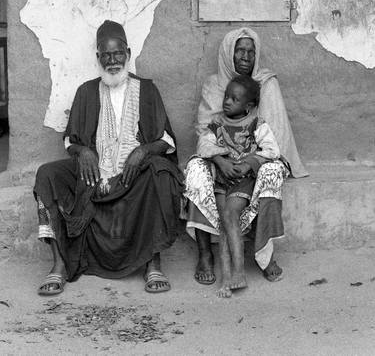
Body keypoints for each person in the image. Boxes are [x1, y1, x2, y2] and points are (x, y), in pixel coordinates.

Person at [34, 20, 183, 296]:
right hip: (93, 177)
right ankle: (59, 265)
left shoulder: (147, 90)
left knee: (161, 172)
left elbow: (167, 139)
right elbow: (70, 140)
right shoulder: (86, 92)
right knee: (47, 175)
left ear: (128, 52)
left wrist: (143, 151)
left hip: (133, 178)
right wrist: (83, 151)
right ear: (98, 57)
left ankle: (153, 263)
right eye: (106, 55)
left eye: (118, 54)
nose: (113, 61)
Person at [184, 27, 308, 285]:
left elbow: (272, 139)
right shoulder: (213, 84)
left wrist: (252, 161)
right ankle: (206, 254)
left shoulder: (266, 82)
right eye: (239, 50)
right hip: (219, 160)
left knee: (272, 171)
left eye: (251, 51)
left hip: (256, 158)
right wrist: (220, 160)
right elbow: (204, 134)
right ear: (228, 53)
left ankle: (265, 254)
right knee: (195, 168)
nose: (245, 57)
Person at [198, 75, 284, 297]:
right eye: (227, 96)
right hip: (221, 178)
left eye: (234, 99)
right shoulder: (216, 122)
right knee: (223, 221)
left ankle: (236, 271)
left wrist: (248, 164)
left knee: (229, 214)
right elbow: (204, 145)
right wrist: (220, 161)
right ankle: (228, 278)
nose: (227, 101)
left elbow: (272, 150)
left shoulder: (257, 124)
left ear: (248, 106)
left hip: (243, 180)